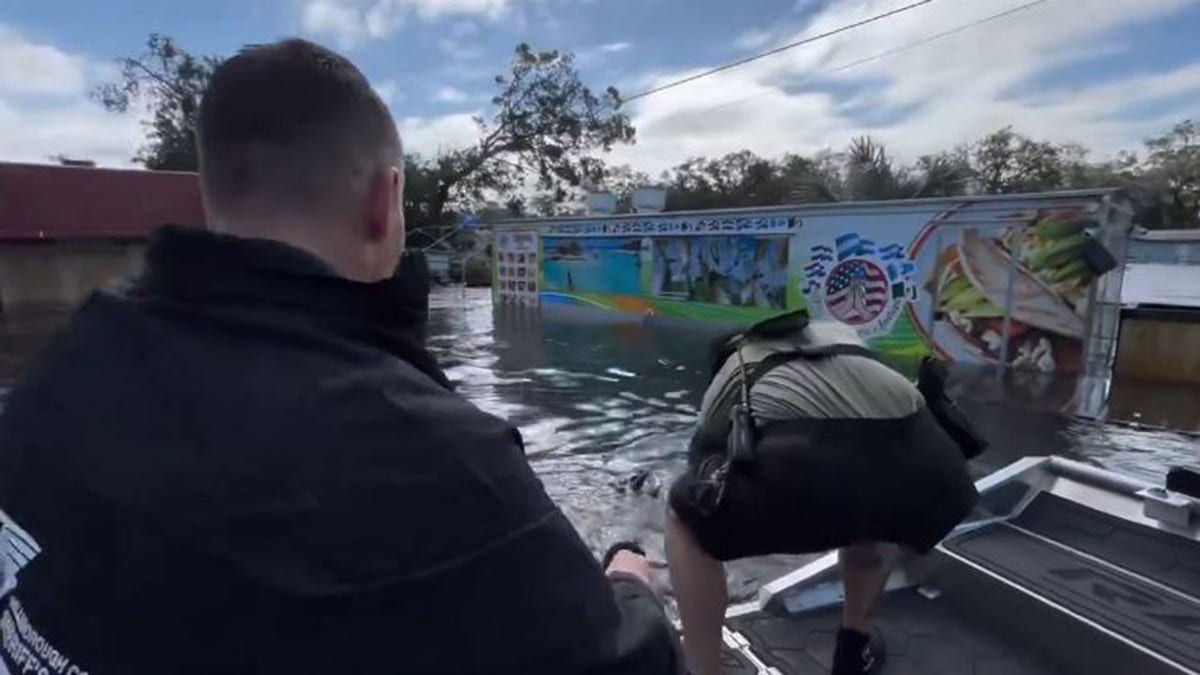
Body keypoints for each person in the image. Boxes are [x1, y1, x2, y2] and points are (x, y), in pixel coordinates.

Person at [0, 39, 681, 675]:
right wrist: (629, 585)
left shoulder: (67, 366)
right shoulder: (442, 460)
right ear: (385, 202)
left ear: (212, 198)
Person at [666, 311, 979, 675]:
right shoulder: (842, 338)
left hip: (820, 463)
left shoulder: (734, 366)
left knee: (684, 519)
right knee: (877, 495)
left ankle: (702, 668)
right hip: (937, 473)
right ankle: (852, 652)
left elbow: (703, 475)